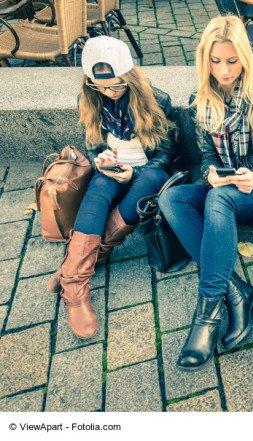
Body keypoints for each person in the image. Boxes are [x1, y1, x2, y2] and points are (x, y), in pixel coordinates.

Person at [158, 16, 253, 372]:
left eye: (232, 60)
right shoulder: (201, 98)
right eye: (215, 61)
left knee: (219, 198)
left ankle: (206, 315)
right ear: (204, 60)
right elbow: (206, 157)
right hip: (226, 189)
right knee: (172, 199)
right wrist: (209, 174)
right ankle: (237, 291)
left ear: (245, 56)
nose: (224, 71)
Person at [48, 36, 176, 339]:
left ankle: (73, 267)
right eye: (100, 86)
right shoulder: (90, 98)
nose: (108, 92)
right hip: (113, 169)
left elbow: (167, 155)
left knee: (151, 181)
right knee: (99, 187)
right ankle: (76, 286)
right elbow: (93, 146)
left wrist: (134, 171)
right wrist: (100, 158)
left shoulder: (157, 99)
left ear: (129, 76)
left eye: (116, 85)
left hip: (146, 171)